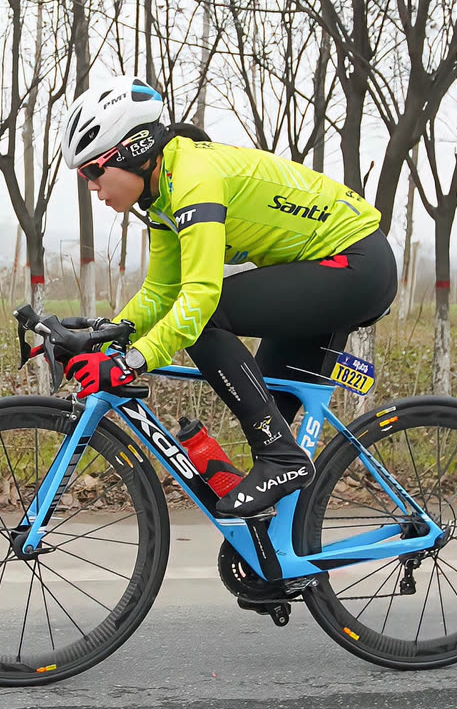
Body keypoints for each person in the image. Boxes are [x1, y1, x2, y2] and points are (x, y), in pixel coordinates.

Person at [60, 75, 396, 517]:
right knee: (265, 417)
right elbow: (162, 291)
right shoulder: (162, 197)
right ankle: (277, 570)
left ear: (133, 152)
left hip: (356, 264)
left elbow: (198, 298)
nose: (91, 186)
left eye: (93, 170)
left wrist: (130, 362)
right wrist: (107, 335)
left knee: (208, 320)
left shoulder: (195, 178)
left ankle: (283, 459)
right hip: (319, 271)